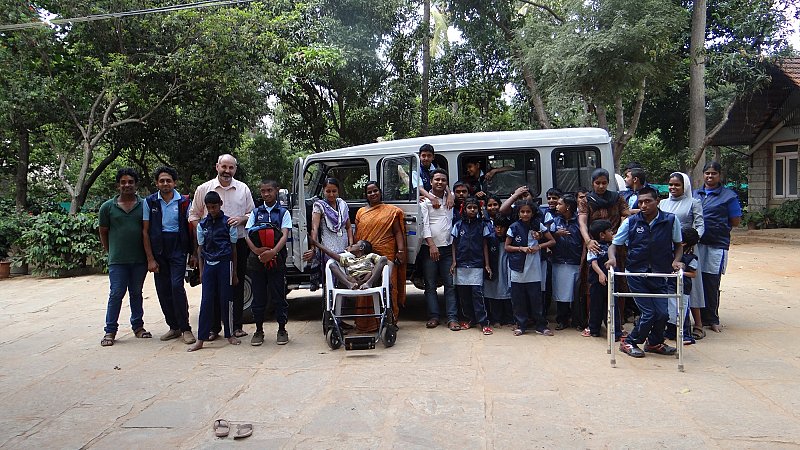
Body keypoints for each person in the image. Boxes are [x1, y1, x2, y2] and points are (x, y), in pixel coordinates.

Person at [607, 187, 683, 358]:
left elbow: (678, 245)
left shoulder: (671, 220)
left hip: (660, 273)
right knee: (649, 313)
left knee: (663, 313)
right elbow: (614, 244)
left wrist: (677, 260)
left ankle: (654, 342)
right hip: (636, 273)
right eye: (640, 202)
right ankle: (630, 341)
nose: (643, 205)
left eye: (648, 201)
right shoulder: (631, 222)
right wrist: (612, 259)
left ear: (657, 201)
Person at [189, 154, 255, 340]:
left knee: (237, 283)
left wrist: (242, 218)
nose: (227, 171)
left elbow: (252, 214)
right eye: (224, 167)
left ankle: (236, 327)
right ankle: (213, 328)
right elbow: (193, 216)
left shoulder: (243, 189)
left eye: (231, 168)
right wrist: (208, 232)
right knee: (212, 289)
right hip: (210, 247)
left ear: (235, 169)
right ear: (217, 166)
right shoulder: (204, 189)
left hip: (237, 244)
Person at [142, 166, 195, 345]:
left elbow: (192, 228)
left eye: (168, 180)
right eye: (162, 180)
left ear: (174, 182)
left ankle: (186, 328)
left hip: (178, 248)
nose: (165, 183)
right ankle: (174, 327)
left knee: (176, 286)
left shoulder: (185, 202)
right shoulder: (150, 202)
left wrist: (194, 253)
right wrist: (150, 258)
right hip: (159, 249)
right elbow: (145, 231)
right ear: (157, 183)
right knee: (163, 289)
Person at [99, 168, 150, 347]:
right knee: (116, 293)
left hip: (139, 260)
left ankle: (138, 326)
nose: (127, 185)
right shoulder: (107, 208)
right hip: (117, 261)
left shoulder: (144, 205)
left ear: (136, 185)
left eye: (130, 182)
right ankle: (110, 330)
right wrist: (110, 252)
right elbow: (103, 232)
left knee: (136, 293)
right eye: (123, 182)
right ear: (118, 185)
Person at [187, 192, 241, 352]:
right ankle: (201, 339)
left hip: (225, 264)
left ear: (220, 204)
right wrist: (202, 271)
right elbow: (200, 248)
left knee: (227, 299)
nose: (212, 210)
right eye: (209, 208)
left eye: (214, 207)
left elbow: (234, 249)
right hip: (209, 265)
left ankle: (230, 334)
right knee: (206, 302)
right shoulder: (202, 225)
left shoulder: (228, 223)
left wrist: (235, 272)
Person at [578, 168, 631, 324]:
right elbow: (582, 223)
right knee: (591, 284)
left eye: (604, 183)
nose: (601, 186)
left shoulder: (617, 198)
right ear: (593, 183)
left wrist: (618, 235)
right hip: (593, 244)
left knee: (618, 282)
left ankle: (617, 322)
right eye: (597, 183)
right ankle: (591, 323)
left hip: (615, 245)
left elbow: (625, 215)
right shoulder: (586, 200)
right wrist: (588, 241)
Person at [694, 161, 742, 333]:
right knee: (695, 280)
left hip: (717, 245)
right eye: (707, 173)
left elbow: (735, 221)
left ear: (719, 175)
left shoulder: (729, 196)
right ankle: (698, 317)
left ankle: (712, 318)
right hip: (696, 244)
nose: (710, 176)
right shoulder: (695, 194)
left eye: (713, 173)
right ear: (703, 175)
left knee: (712, 281)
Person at [354, 181, 407, 331]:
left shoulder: (391, 211)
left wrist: (401, 251)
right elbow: (358, 235)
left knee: (389, 286)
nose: (373, 194)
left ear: (380, 191)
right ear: (366, 195)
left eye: (375, 191)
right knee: (365, 285)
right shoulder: (361, 212)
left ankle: (390, 321)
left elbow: (397, 232)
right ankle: (366, 323)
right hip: (366, 256)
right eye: (369, 192)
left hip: (387, 254)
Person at [245, 180, 291, 346]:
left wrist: (273, 252)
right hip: (257, 262)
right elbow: (248, 235)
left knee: (279, 296)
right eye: (263, 191)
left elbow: (284, 236)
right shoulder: (256, 212)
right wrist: (258, 252)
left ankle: (282, 329)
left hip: (276, 261)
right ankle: (258, 330)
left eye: (269, 190)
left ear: (276, 190)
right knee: (258, 297)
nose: (266, 194)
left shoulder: (283, 212)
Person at [660, 172, 706, 339]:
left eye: (677, 185)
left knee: (691, 287)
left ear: (684, 186)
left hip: (688, 248)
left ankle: (698, 324)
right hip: (668, 249)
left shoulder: (694, 202)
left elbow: (700, 225)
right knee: (670, 286)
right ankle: (671, 323)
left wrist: (691, 241)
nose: (673, 187)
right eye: (670, 184)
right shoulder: (663, 203)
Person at [505, 199, 556, 336]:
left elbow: (552, 241)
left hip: (534, 267)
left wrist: (538, 246)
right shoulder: (514, 227)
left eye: (528, 211)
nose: (525, 214)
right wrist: (521, 248)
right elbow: (507, 247)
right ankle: (521, 325)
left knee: (536, 297)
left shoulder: (538, 225)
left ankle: (541, 325)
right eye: (523, 211)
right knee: (518, 298)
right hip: (517, 267)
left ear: (533, 213)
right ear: (518, 213)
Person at [420, 170, 458, 330]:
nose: (440, 182)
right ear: (431, 182)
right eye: (437, 180)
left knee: (450, 284)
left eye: (443, 180)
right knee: (430, 285)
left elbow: (452, 194)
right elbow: (425, 225)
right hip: (430, 250)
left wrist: (450, 194)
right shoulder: (424, 202)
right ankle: (434, 316)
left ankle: (452, 318)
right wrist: (432, 245)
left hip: (448, 249)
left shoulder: (451, 199)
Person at [450, 196, 494, 335]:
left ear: (478, 209)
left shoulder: (482, 225)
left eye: (475, 207)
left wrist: (487, 264)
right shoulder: (458, 225)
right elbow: (454, 244)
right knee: (464, 295)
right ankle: (470, 319)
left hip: (476, 264)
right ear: (464, 209)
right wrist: (454, 261)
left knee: (477, 294)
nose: (472, 210)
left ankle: (483, 322)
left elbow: (485, 245)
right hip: (461, 264)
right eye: (470, 207)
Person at [302, 178, 353, 288]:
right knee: (332, 275)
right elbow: (314, 228)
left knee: (346, 272)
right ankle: (331, 302)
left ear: (338, 191)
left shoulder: (343, 204)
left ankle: (344, 301)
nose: (331, 194)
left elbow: (348, 227)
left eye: (334, 191)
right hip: (328, 247)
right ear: (323, 191)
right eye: (328, 191)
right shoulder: (319, 206)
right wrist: (313, 248)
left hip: (344, 245)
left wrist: (351, 245)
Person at [583, 220, 623, 339]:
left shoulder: (612, 245)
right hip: (597, 281)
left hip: (612, 281)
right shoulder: (594, 246)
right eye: (610, 231)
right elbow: (593, 263)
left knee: (612, 305)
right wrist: (600, 274)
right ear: (602, 235)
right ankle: (594, 329)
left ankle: (615, 332)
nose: (612, 233)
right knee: (596, 305)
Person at [550, 194, 582, 330]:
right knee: (561, 293)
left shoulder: (580, 221)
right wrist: (557, 234)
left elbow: (585, 242)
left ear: (567, 207)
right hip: (559, 261)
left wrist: (582, 261)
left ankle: (577, 320)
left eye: (559, 204)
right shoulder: (555, 221)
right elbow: (548, 237)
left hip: (575, 261)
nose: (556, 206)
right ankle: (562, 319)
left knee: (576, 293)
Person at [665, 227, 699, 346]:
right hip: (670, 285)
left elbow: (693, 274)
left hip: (683, 288)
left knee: (682, 311)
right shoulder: (672, 255)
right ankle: (670, 332)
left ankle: (686, 335)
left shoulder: (692, 258)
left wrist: (681, 273)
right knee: (671, 310)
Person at [484, 216, 513, 328]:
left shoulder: (510, 238)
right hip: (495, 268)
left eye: (502, 227)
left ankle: (510, 319)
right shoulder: (491, 238)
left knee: (508, 294)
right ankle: (496, 319)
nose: (499, 230)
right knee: (494, 294)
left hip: (506, 268)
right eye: (497, 227)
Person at [415, 144, 454, 209]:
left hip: (438, 198)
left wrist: (449, 195)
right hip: (426, 200)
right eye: (423, 156)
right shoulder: (416, 170)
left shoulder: (436, 167)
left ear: (433, 157)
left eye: (429, 156)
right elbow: (420, 188)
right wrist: (432, 198)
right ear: (419, 157)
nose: (426, 158)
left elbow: (443, 182)